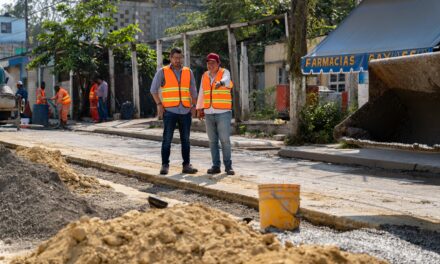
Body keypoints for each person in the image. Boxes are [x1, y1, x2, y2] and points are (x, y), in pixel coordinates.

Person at [150, 47, 198, 175]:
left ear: (182, 58)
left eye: (179, 58)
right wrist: (159, 104)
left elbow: (193, 91)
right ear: (170, 58)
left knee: (186, 140)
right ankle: (165, 165)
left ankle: (186, 165)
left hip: (185, 111)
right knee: (167, 139)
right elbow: (153, 90)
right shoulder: (163, 72)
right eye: (175, 58)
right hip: (170, 111)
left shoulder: (188, 72)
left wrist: (193, 106)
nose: (177, 60)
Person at [196, 53, 235, 175]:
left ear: (218, 63)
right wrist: (199, 109)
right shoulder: (205, 76)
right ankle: (215, 166)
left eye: (213, 63)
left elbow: (227, 80)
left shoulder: (224, 72)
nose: (210, 65)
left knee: (224, 140)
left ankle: (228, 166)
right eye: (208, 63)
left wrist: (221, 83)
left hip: (223, 113)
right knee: (212, 141)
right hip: (208, 112)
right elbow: (202, 92)